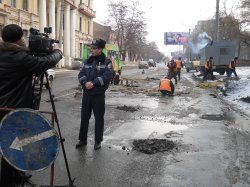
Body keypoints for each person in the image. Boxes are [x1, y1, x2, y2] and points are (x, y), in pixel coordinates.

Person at [0, 24, 62, 187]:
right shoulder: (21, 58)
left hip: (2, 107)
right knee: (12, 144)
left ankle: (13, 175)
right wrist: (57, 51)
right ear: (20, 39)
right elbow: (45, 62)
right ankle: (8, 180)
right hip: (14, 110)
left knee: (5, 142)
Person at [76, 38, 114, 150]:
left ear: (100, 49)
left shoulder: (106, 62)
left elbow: (107, 76)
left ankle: (98, 141)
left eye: (94, 48)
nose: (91, 50)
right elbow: (81, 74)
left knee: (99, 118)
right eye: (91, 48)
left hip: (98, 95)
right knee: (84, 118)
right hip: (87, 94)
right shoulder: (87, 61)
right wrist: (85, 82)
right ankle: (82, 139)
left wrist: (94, 83)